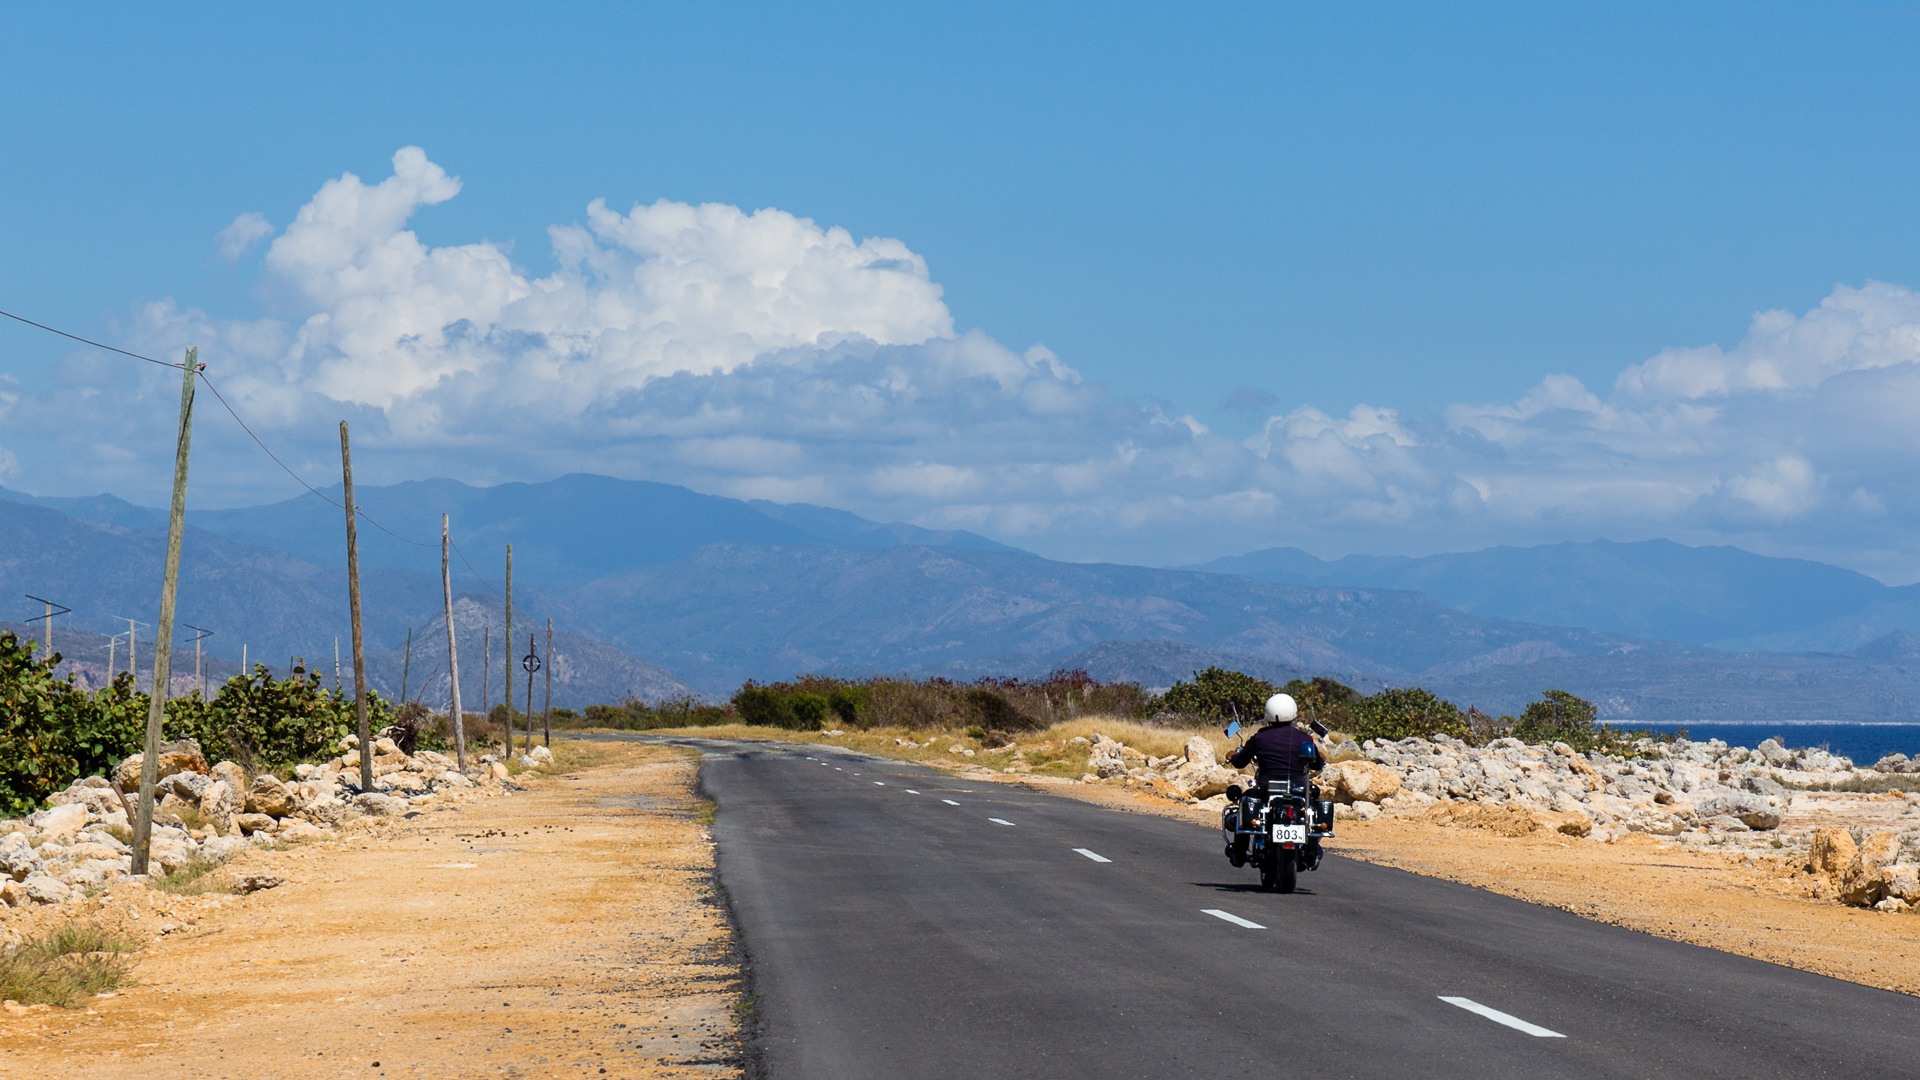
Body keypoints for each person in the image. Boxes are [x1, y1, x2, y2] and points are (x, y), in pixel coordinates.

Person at [1222, 693, 1326, 869]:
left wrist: (1232, 755)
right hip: (1299, 789)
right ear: (1293, 713)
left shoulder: (1260, 738)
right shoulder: (1304, 738)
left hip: (1266, 788)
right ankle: (1312, 850)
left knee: (1246, 800)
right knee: (1312, 808)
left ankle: (1239, 853)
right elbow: (1318, 764)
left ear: (1268, 713)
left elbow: (1240, 762)